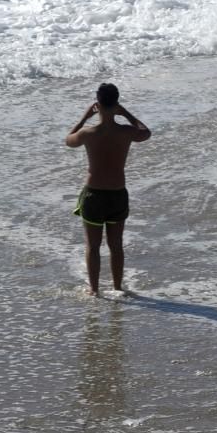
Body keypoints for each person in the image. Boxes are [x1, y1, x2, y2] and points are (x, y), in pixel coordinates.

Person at [66, 83, 151, 297]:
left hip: (94, 195)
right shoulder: (126, 132)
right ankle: (117, 287)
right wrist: (126, 114)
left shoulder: (88, 132)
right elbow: (146, 133)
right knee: (116, 245)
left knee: (93, 247)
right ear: (116, 103)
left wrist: (84, 118)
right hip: (117, 194)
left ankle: (94, 290)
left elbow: (69, 140)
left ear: (97, 104)